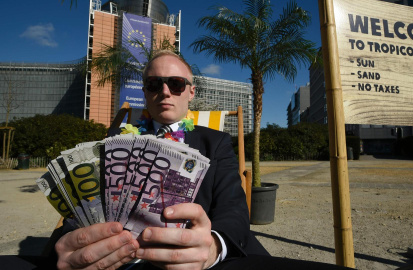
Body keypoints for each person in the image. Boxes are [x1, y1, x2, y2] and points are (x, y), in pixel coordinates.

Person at [54, 50, 268, 270]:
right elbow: (85, 205)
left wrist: (212, 247)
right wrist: (75, 244)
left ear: (191, 92)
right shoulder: (116, 140)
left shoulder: (215, 143)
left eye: (176, 84)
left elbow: (233, 209)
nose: (165, 92)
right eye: (155, 84)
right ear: (145, 92)